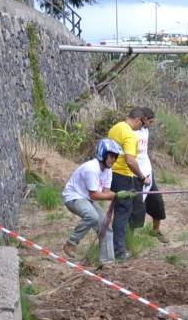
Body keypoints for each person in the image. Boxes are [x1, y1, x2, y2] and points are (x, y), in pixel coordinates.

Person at [62, 138, 136, 266]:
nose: (114, 160)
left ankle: (107, 264)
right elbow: (95, 195)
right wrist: (117, 195)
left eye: (116, 157)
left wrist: (122, 194)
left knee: (105, 226)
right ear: (103, 153)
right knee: (92, 216)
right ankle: (71, 243)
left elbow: (105, 192)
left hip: (87, 199)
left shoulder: (108, 171)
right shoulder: (92, 168)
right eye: (111, 156)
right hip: (74, 197)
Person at [107, 107, 151, 260]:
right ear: (138, 119)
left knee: (117, 211)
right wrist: (142, 177)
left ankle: (113, 245)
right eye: (142, 124)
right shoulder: (130, 136)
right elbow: (130, 161)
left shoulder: (115, 128)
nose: (141, 128)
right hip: (123, 176)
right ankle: (119, 251)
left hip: (111, 174)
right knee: (123, 213)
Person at [129, 107, 168, 243]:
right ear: (143, 119)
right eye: (150, 122)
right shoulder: (130, 133)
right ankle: (129, 239)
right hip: (136, 174)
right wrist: (140, 176)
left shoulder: (146, 131)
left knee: (157, 201)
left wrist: (148, 174)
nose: (152, 125)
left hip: (148, 172)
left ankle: (155, 231)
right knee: (137, 207)